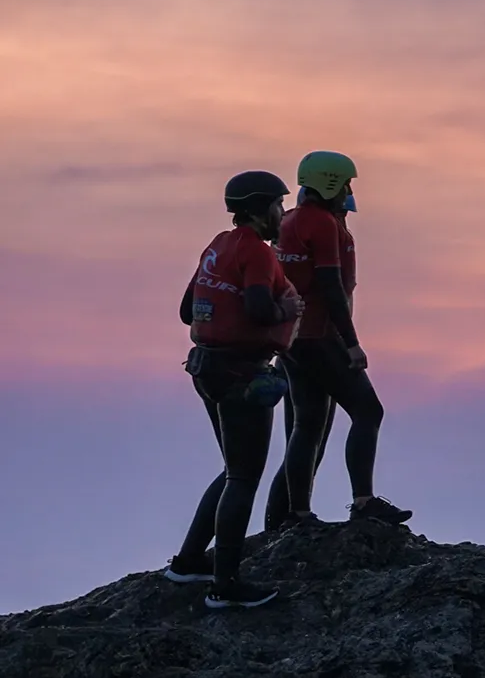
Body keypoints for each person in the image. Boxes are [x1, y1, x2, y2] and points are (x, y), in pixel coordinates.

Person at [164, 171, 304, 609]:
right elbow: (262, 310)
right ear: (263, 209)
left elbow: (188, 310)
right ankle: (225, 586)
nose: (282, 214)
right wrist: (289, 307)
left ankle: (188, 562)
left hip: (205, 368)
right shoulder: (258, 253)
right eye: (279, 206)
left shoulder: (217, 246)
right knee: (244, 477)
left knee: (232, 470)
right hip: (241, 374)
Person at [264, 150, 411, 529]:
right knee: (367, 411)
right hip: (320, 336)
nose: (348, 191)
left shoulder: (289, 222)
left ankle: (296, 514)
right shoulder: (323, 225)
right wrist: (351, 342)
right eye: (345, 183)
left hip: (291, 341)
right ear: (330, 182)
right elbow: (330, 286)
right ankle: (363, 500)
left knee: (307, 424)